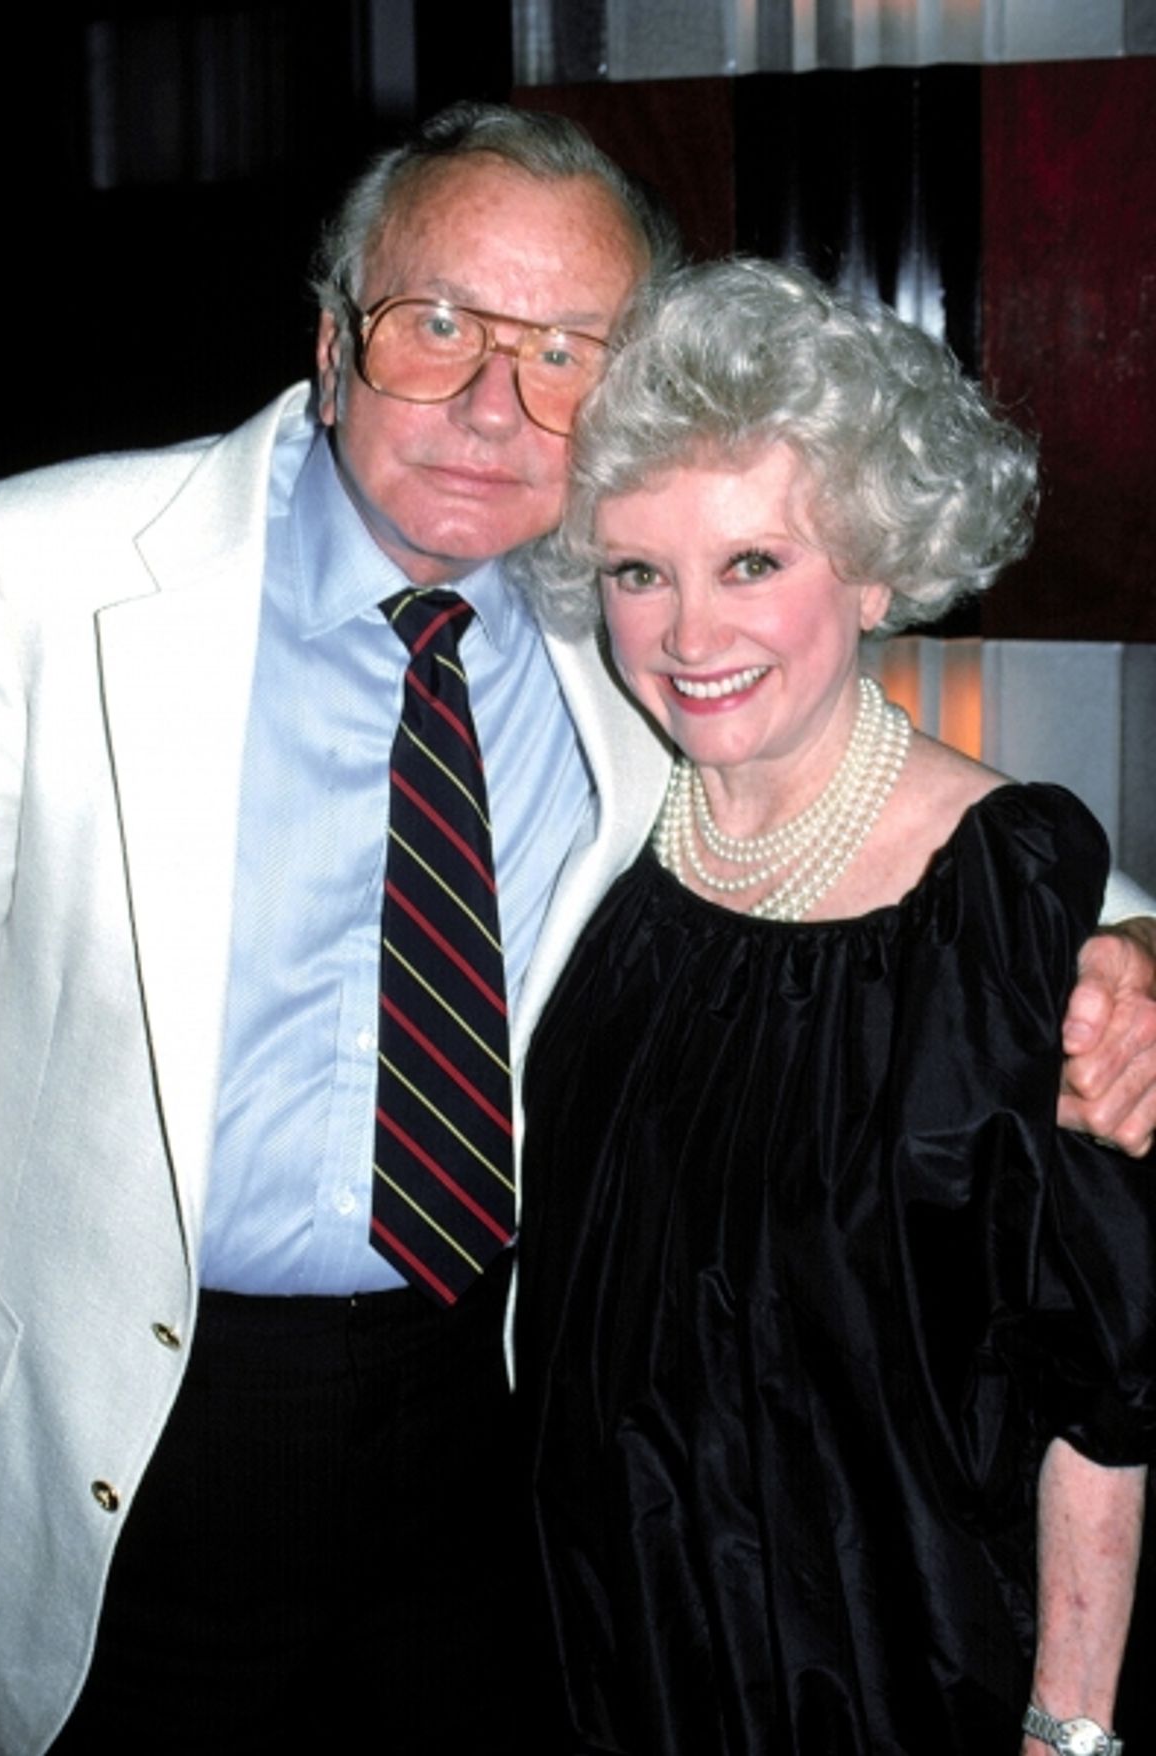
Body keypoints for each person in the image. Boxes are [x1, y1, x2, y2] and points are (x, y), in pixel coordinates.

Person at [0, 101, 1151, 1756]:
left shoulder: (606, 615)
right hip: (144, 1427)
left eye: (564, 348)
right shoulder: (34, 570)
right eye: (437, 324)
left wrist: (1136, 955)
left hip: (496, 1442)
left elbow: (915, 841)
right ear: (333, 339)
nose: (493, 403)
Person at [515, 258, 1155, 1756]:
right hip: (603, 1656)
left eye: (754, 564)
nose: (686, 632)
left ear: (873, 567)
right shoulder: (603, 852)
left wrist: (1070, 1730)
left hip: (891, 1676)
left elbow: (1103, 1394)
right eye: (637, 572)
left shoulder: (1011, 908)